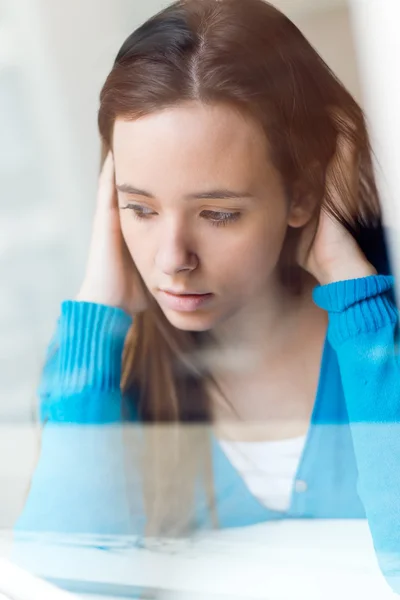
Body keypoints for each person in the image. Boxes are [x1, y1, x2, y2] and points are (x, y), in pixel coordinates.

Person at [15, 0, 400, 593]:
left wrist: (360, 307)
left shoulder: (382, 335)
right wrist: (100, 305)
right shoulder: (108, 372)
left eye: (218, 214)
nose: (172, 258)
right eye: (139, 208)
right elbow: (69, 580)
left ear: (301, 194)